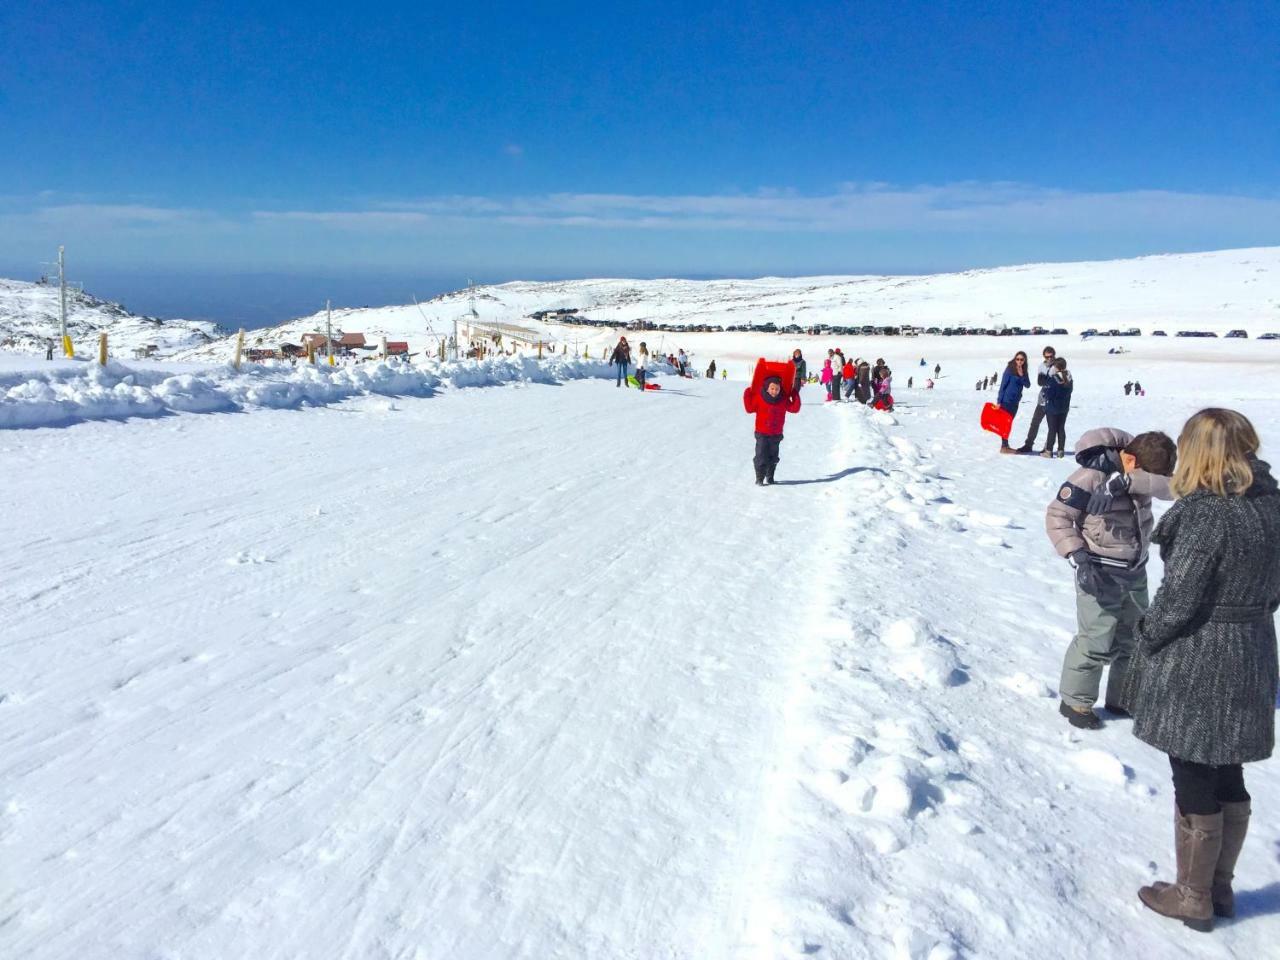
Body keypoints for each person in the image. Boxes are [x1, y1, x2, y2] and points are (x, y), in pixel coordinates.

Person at [1124, 409, 1280, 931]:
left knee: (1192, 767)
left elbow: (1179, 597)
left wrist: (1146, 637)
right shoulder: (1271, 502)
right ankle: (1219, 888)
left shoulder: (1207, 513)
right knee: (1227, 765)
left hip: (1201, 653)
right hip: (1253, 646)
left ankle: (1194, 895)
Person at [1046, 430, 1176, 730]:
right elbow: (1057, 516)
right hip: (1098, 571)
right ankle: (1075, 701)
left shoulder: (1138, 468)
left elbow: (1174, 488)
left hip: (1134, 570)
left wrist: (1129, 481)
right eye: (1142, 474)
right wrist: (1076, 554)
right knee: (1096, 639)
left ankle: (1122, 697)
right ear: (1129, 458)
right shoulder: (1090, 478)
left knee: (1133, 636)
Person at [743, 364, 801, 485]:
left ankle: (770, 476)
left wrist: (794, 393)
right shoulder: (760, 397)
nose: (774, 391)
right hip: (762, 433)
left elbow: (794, 408)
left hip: (776, 434)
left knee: (773, 457)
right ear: (767, 388)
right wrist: (748, 392)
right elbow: (749, 408)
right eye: (772, 388)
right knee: (761, 456)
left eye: (777, 389)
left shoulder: (783, 399)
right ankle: (759, 478)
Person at [1016, 346, 1058, 453]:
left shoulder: (1058, 366)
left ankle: (1048, 448)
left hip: (1053, 401)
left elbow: (1058, 382)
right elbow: (1040, 382)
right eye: (1046, 356)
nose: (1049, 358)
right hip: (1042, 400)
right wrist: (1049, 380)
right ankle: (1028, 444)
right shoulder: (1042, 366)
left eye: (1051, 356)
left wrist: (1048, 380)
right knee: (1034, 423)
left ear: (1054, 355)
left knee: (1051, 426)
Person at [996, 351, 1031, 453]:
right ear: (1015, 359)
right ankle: (1004, 446)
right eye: (1017, 359)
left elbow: (1028, 385)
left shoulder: (1024, 371)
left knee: (1009, 423)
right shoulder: (1009, 369)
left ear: (1024, 361)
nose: (1019, 361)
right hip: (1006, 401)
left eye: (1021, 359)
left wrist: (1022, 375)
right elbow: (1003, 386)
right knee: (1005, 423)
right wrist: (999, 401)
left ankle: (1005, 445)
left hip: (1015, 402)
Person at [1040, 357, 1073, 458]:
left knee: (1052, 429)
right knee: (1061, 428)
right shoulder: (1069, 377)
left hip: (1053, 408)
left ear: (1056, 367)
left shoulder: (1054, 378)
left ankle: (1049, 450)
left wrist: (1045, 394)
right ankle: (1060, 450)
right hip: (1064, 407)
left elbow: (1049, 393)